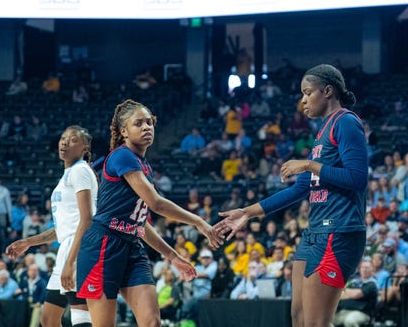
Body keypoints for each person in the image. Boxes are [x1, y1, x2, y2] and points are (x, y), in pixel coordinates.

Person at [216, 64, 368, 327]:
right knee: (297, 318)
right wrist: (247, 212)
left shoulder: (346, 121)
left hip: (339, 231)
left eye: (308, 93)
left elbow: (358, 178)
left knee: (314, 323)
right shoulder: (322, 132)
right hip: (314, 232)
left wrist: (309, 165)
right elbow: (300, 189)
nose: (303, 100)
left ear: (328, 91)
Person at [75, 99, 222, 327]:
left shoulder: (144, 165)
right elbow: (156, 203)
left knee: (152, 322)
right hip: (103, 245)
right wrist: (198, 221)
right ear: (124, 131)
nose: (146, 127)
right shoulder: (121, 156)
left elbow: (140, 223)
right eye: (138, 123)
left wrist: (172, 256)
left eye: (149, 122)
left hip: (131, 246)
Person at [6, 125, 98, 327]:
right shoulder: (67, 176)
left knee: (79, 315)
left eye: (73, 139)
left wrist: (71, 261)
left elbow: (87, 220)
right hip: (67, 245)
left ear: (85, 148)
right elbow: (63, 227)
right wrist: (29, 242)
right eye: (63, 138)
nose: (65, 142)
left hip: (79, 248)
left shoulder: (80, 170)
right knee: (48, 318)